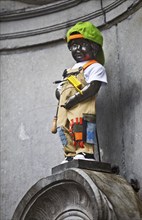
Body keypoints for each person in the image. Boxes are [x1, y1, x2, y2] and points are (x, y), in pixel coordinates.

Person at [54, 21, 107, 163]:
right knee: (63, 127)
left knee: (81, 125)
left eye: (82, 45)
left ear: (94, 48)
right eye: (73, 46)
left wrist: (75, 99)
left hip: (81, 104)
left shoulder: (95, 67)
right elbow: (62, 87)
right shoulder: (69, 70)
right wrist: (59, 92)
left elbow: (94, 86)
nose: (77, 49)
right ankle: (69, 153)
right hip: (65, 105)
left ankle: (85, 152)